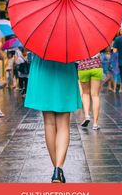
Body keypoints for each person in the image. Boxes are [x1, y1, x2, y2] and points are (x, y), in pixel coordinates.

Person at [24, 55, 82, 183]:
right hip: (65, 65)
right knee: (63, 123)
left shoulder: (38, 34)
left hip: (43, 66)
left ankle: (56, 171)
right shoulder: (71, 34)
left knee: (49, 123)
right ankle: (58, 168)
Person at [78, 54, 103, 130]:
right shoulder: (97, 42)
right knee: (95, 95)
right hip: (96, 66)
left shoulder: (77, 43)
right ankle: (95, 123)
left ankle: (87, 115)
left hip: (83, 67)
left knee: (85, 93)